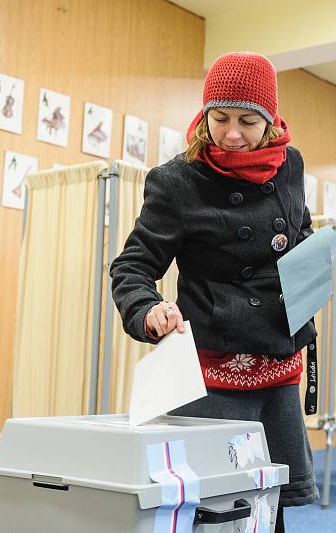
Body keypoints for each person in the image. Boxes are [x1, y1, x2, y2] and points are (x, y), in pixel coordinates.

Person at [110, 52, 318, 532]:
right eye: (220, 118)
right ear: (204, 115)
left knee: (271, 506)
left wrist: (313, 265)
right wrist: (147, 309)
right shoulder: (177, 182)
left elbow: (300, 232)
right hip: (211, 373)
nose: (232, 134)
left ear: (270, 121)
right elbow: (133, 266)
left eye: (248, 120)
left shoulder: (291, 165)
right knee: (213, 512)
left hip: (279, 365)